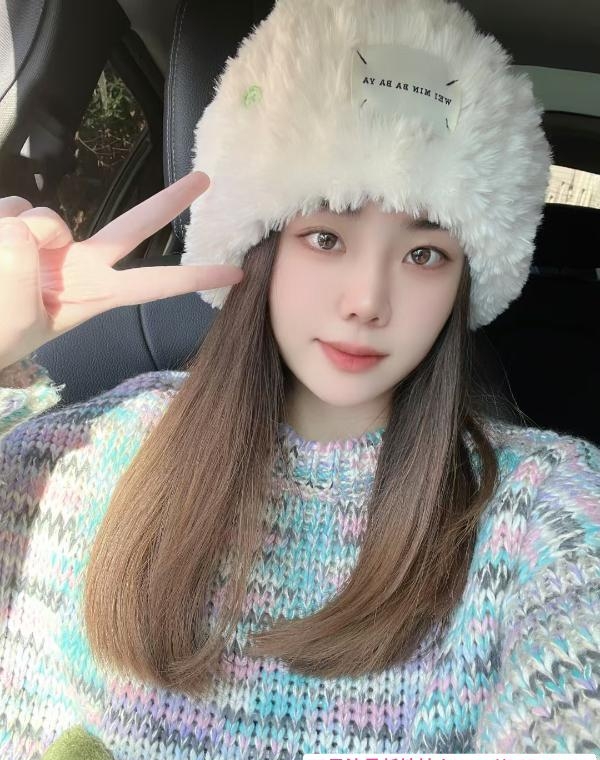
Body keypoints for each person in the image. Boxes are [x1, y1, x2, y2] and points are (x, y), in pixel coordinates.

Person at [1, 0, 599, 759]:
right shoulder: (94, 456)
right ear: (261, 249)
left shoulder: (541, 507)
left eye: (424, 254)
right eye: (325, 237)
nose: (367, 301)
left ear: (463, 284)